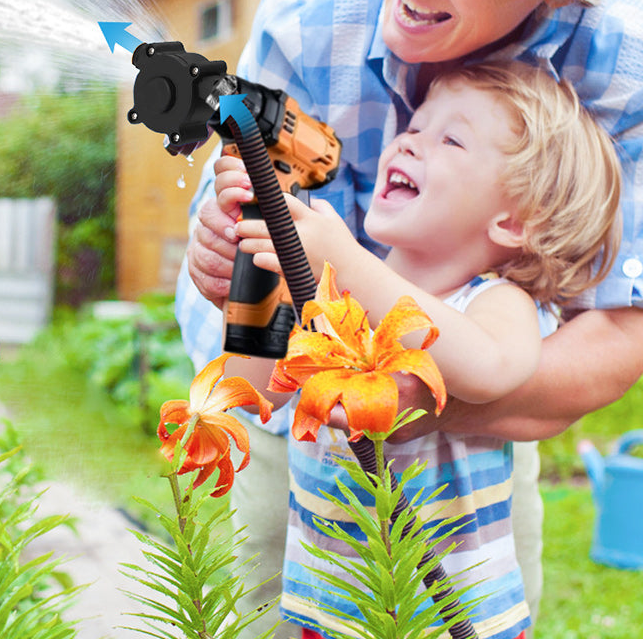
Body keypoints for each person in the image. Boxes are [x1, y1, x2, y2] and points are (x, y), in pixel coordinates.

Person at [174, 0, 643, 635]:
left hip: (468, 481)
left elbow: (601, 334)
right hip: (310, 494)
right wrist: (228, 266)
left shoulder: (619, 63)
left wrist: (393, 373)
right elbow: (255, 373)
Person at [215, 60, 620, 637]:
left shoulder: (494, 302)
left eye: (450, 138)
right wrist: (257, 260)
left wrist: (346, 261)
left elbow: (489, 369)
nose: (408, 140)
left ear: (511, 221)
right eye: (414, 125)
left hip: (450, 616)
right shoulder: (335, 292)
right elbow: (253, 392)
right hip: (332, 613)